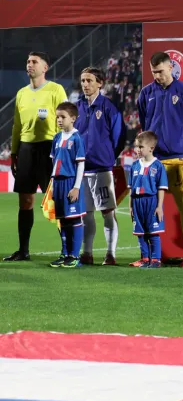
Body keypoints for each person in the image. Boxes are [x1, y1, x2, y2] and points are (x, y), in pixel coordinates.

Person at [137, 52, 183, 267]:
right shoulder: (146, 94)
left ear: (171, 67)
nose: (157, 76)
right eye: (154, 72)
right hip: (153, 162)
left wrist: (180, 142)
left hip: (176, 160)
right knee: (147, 207)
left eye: (161, 72)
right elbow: (145, 124)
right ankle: (148, 256)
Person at [5, 52, 67, 262]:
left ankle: (67, 250)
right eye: (28, 61)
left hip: (49, 148)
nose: (29, 64)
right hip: (25, 149)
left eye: (34, 62)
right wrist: (14, 152)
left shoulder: (55, 90)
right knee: (25, 200)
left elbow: (66, 121)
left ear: (45, 67)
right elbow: (17, 126)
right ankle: (23, 250)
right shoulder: (21, 93)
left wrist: (64, 149)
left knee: (57, 201)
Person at [75, 67, 125, 266]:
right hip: (82, 170)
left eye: (89, 80)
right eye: (83, 80)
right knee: (86, 214)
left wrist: (107, 156)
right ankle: (87, 253)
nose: (85, 84)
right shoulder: (76, 107)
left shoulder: (109, 108)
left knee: (107, 213)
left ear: (100, 83)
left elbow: (119, 138)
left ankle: (110, 254)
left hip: (102, 169)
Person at [48, 102, 87, 269]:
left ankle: (75, 255)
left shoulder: (77, 138)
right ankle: (64, 253)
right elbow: (54, 161)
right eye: (57, 117)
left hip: (71, 182)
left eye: (63, 117)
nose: (59, 120)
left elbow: (80, 165)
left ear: (73, 118)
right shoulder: (57, 138)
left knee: (74, 219)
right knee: (62, 220)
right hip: (58, 183)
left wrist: (76, 187)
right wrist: (52, 183)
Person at [127, 131, 168, 269]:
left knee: (153, 232)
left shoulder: (158, 166)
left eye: (140, 147)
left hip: (151, 202)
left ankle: (156, 259)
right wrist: (130, 206)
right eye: (136, 147)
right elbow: (131, 188)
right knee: (140, 232)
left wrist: (159, 206)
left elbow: (161, 188)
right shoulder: (134, 166)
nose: (137, 150)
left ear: (151, 148)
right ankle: (145, 258)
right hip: (137, 202)